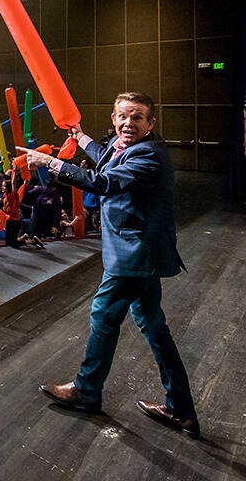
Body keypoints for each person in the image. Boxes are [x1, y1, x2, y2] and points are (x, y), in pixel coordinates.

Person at [18, 92, 199, 438]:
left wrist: (50, 162)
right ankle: (182, 409)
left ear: (151, 124)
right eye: (123, 117)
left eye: (137, 118)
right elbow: (106, 158)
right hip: (137, 254)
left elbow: (103, 182)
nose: (128, 124)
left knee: (104, 313)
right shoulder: (127, 146)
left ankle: (87, 389)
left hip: (134, 255)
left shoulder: (148, 157)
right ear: (113, 119)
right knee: (154, 327)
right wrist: (80, 138)